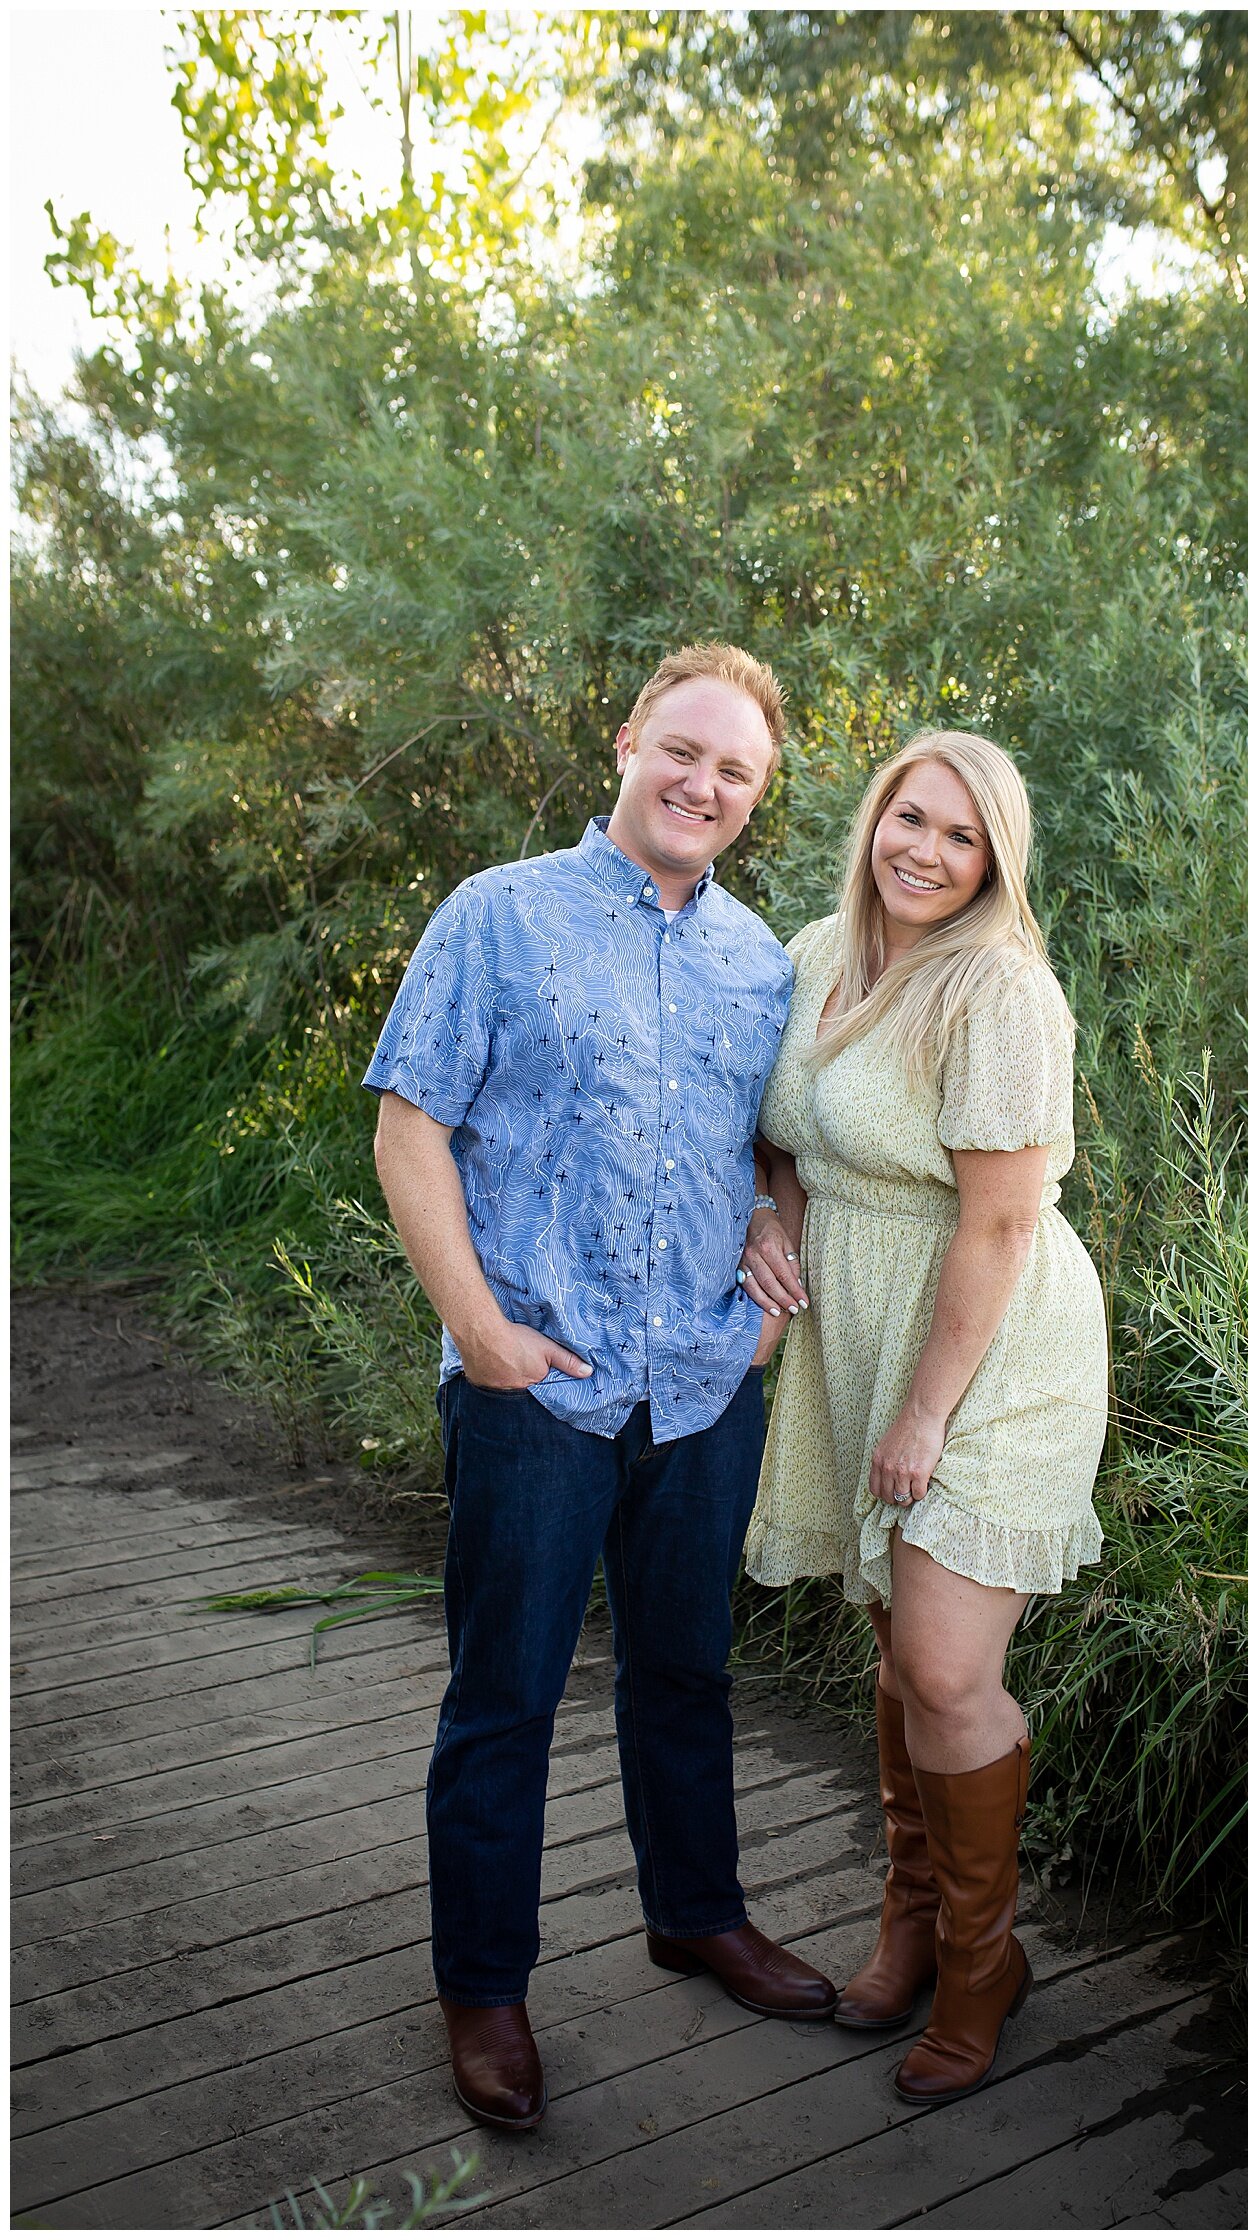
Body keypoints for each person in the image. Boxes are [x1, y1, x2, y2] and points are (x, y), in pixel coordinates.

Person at [364, 643, 836, 2134]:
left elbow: (779, 1141)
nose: (703, 783)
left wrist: (774, 1233)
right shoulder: (498, 915)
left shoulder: (761, 961)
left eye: (736, 770)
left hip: (702, 1382)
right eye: (681, 751)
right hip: (536, 1384)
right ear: (626, 741)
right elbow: (409, 1126)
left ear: (758, 796)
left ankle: (695, 1912)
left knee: (689, 1674)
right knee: (503, 1697)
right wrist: (480, 1330)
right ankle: (485, 1987)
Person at [739, 729, 1108, 2106]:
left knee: (948, 1668)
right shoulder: (814, 957)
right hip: (863, 1321)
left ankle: (979, 1966)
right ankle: (908, 1926)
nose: (928, 853)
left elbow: (1004, 1222)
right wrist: (769, 1226)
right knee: (899, 1649)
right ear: (875, 818)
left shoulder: (999, 992)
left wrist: (925, 1414)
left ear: (994, 862)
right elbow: (779, 1131)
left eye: (963, 838)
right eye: (914, 819)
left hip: (986, 1341)